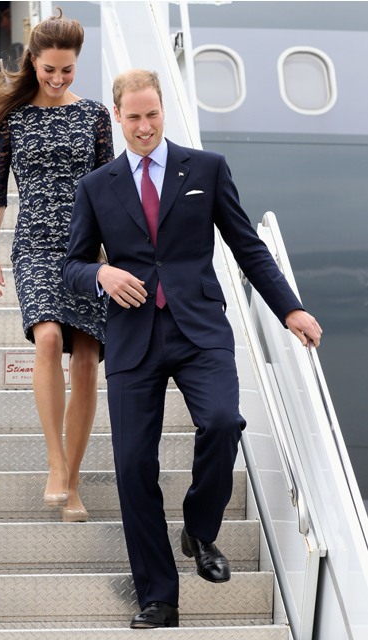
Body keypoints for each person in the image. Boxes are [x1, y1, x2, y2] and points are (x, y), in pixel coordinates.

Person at [62, 69, 322, 628]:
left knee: (224, 422)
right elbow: (71, 265)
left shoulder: (206, 169)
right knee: (134, 465)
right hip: (133, 336)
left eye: (152, 114)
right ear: (118, 116)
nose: (144, 126)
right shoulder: (97, 185)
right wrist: (102, 274)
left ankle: (200, 531)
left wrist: (290, 309)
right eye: (134, 117)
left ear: (163, 110)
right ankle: (159, 597)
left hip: (199, 329)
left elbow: (247, 246)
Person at [0, 9, 114, 522]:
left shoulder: (95, 115)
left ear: (77, 64)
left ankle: (72, 482)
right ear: (32, 61)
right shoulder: (13, 119)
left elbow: (110, 190)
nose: (57, 79)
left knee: (86, 359)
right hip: (34, 245)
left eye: (67, 70)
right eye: (49, 69)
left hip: (87, 252)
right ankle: (56, 462)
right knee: (49, 339)